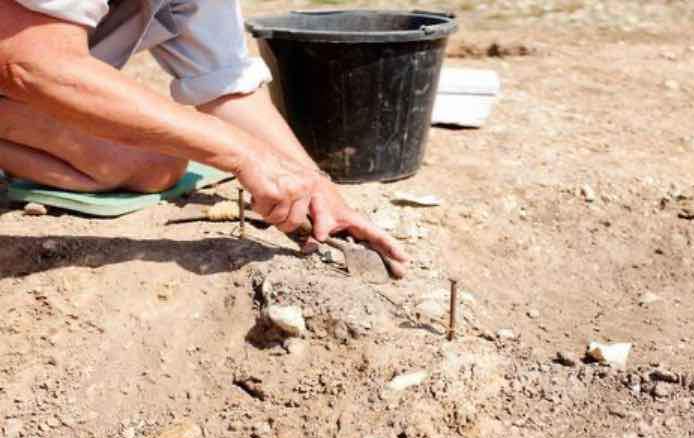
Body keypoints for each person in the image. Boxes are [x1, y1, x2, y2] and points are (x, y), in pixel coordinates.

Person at [0, 0, 407, 266]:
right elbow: (33, 65)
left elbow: (226, 84)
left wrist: (315, 187)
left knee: (154, 164)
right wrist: (242, 154)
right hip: (27, 69)